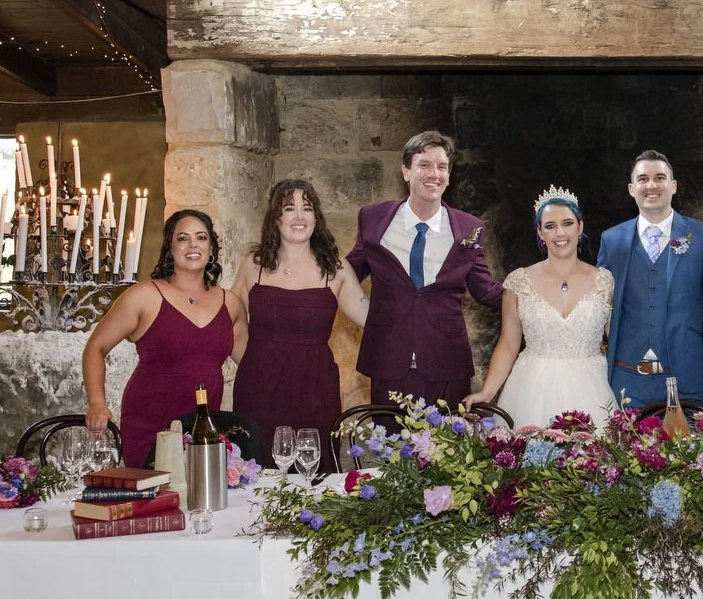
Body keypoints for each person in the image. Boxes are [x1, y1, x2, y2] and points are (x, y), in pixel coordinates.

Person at [346, 131, 502, 411]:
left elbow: (486, 290)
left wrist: (533, 291)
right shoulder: (374, 219)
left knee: (448, 453)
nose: (435, 174)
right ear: (406, 171)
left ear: (449, 176)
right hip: (389, 361)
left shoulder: (469, 228)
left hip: (447, 364)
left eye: (442, 166)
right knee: (388, 450)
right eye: (424, 165)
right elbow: (347, 273)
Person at [83, 209, 248, 468]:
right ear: (170, 248)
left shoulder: (231, 304)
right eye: (183, 238)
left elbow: (252, 365)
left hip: (202, 430)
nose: (193, 244)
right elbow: (95, 347)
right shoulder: (144, 296)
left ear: (211, 247)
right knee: (155, 502)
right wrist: (96, 403)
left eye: (201, 237)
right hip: (149, 426)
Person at [232, 180, 369, 466]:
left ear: (316, 217)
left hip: (314, 390)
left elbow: (372, 318)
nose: (299, 217)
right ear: (275, 217)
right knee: (256, 474)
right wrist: (252, 361)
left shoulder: (336, 268)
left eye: (306, 209)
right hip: (258, 388)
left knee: (313, 473)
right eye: (289, 208)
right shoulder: (252, 264)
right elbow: (231, 319)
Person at [466, 186, 617, 428]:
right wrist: (486, 392)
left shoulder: (605, 281)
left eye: (567, 223)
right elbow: (508, 345)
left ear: (580, 227)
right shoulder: (518, 282)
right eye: (550, 226)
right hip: (531, 389)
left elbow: (617, 340)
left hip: (593, 387)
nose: (560, 233)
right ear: (539, 232)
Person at [596, 150, 703, 411]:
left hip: (689, 378)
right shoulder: (611, 241)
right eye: (643, 179)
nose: (651, 185)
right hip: (626, 380)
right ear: (631, 188)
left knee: (690, 451)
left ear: (673, 186)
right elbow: (597, 307)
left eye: (660, 178)